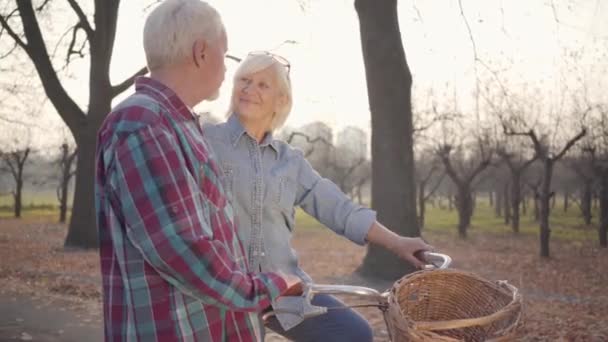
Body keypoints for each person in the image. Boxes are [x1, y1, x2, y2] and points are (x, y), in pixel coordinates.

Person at [94, 2, 300, 341]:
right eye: (225, 53)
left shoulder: (180, 124)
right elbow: (181, 249)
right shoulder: (142, 123)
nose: (227, 69)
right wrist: (268, 287)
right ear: (201, 52)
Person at [203, 52, 433, 342]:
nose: (249, 89)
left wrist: (399, 243)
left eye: (263, 85)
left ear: (281, 101)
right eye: (244, 80)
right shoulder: (204, 140)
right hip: (222, 292)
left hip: (283, 291)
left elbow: (341, 209)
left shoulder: (290, 162)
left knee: (354, 333)